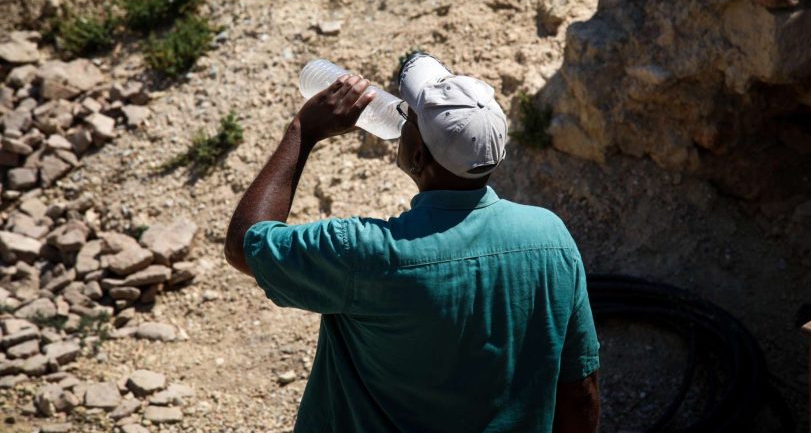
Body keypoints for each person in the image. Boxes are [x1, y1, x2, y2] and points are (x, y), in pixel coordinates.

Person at [224, 53, 600, 432]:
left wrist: (303, 132)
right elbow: (580, 389)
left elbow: (244, 243)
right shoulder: (551, 239)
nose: (400, 121)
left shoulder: (363, 254)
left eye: (408, 120)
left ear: (418, 155)